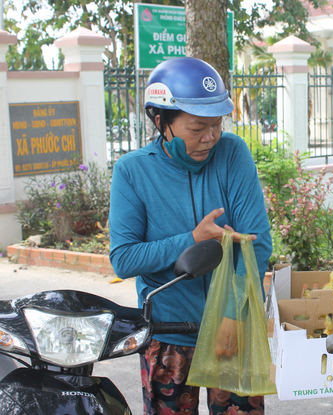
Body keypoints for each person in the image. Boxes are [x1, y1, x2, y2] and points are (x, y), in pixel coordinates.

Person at [109, 57, 272, 415]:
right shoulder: (133, 172)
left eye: (216, 125)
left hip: (232, 327)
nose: (210, 137)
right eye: (197, 127)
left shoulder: (232, 155)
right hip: (167, 334)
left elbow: (256, 243)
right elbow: (124, 259)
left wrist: (233, 315)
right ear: (161, 121)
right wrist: (191, 239)